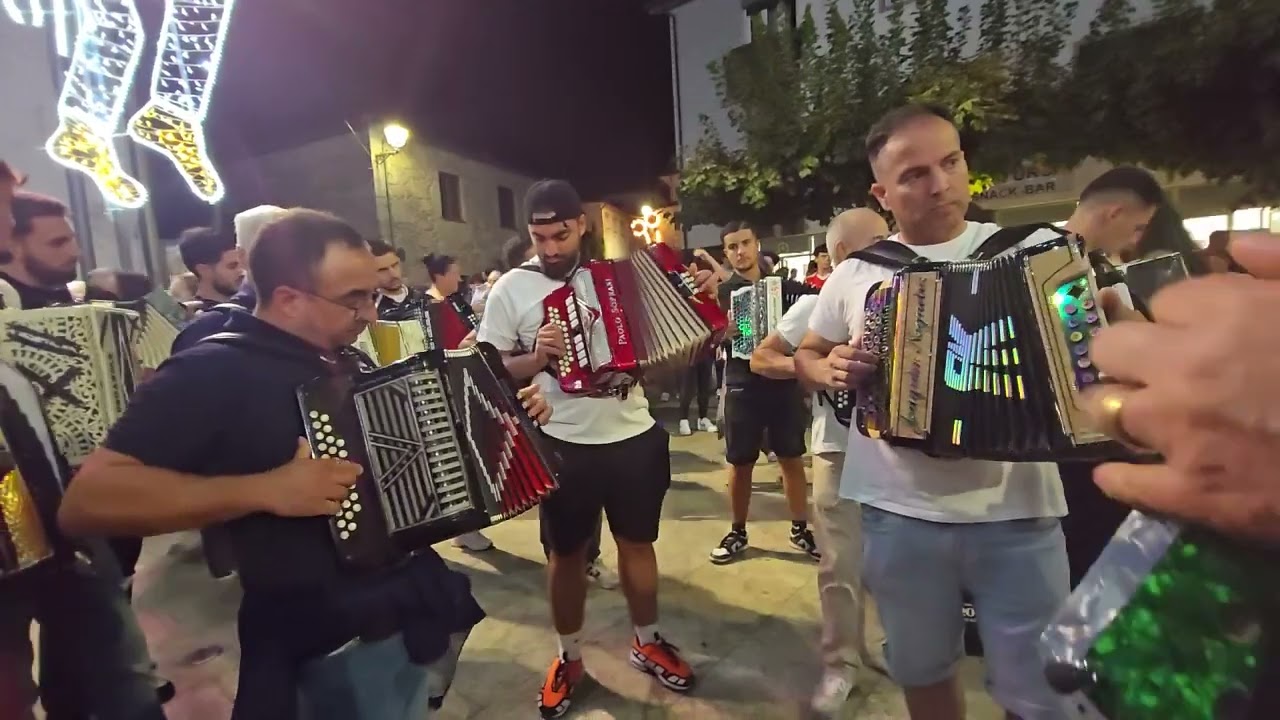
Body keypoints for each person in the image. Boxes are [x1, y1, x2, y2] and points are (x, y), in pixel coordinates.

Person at [59, 209, 552, 718]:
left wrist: (505, 422)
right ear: (289, 299)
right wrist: (265, 490)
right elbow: (88, 501)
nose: (370, 314)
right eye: (353, 299)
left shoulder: (342, 356)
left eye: (372, 295)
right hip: (318, 639)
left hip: (395, 613)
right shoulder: (210, 369)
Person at [794, 104, 1071, 720]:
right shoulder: (859, 273)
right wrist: (826, 368)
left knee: (1041, 692)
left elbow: (1091, 347)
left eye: (950, 162)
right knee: (922, 672)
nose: (940, 184)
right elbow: (806, 356)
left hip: (1020, 512)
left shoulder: (1038, 251)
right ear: (883, 193)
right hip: (900, 517)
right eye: (915, 173)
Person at [478, 180, 713, 718]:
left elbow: (673, 354)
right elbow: (489, 368)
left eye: (560, 234)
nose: (552, 248)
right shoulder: (512, 289)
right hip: (562, 441)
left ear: (582, 224)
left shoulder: (622, 277)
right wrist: (535, 358)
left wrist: (699, 307)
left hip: (634, 434)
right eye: (540, 237)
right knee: (566, 555)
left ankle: (647, 639)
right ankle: (568, 656)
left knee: (638, 545)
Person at [0, 189, 169, 720]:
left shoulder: (79, 305)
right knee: (113, 658)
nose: (72, 248)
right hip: (29, 511)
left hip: (76, 498)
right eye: (56, 240)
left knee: (79, 645)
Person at [751, 208, 888, 715]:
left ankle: (886, 644)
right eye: (878, 242)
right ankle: (840, 664)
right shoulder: (816, 302)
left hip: (899, 453)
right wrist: (814, 367)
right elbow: (761, 358)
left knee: (896, 562)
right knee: (840, 565)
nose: (892, 246)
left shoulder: (911, 295)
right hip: (837, 447)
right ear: (844, 256)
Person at [710, 221, 818, 565]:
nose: (740, 251)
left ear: (757, 244)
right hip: (742, 381)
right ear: (725, 253)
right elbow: (706, 338)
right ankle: (737, 530)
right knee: (740, 461)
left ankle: (801, 527)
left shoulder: (787, 287)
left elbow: (816, 309)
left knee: (791, 456)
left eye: (745, 243)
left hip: (783, 380)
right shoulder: (722, 292)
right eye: (732, 246)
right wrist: (720, 334)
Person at [1061, 166, 1165, 260]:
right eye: (1137, 228)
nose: (1135, 241)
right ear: (1115, 214)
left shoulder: (1081, 264)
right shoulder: (1055, 264)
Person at [178, 226, 245, 311]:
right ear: (203, 270)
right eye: (232, 266)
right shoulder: (198, 319)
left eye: (242, 264)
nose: (242, 272)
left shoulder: (249, 306)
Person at [367, 239, 418, 313]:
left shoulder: (425, 299)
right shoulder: (370, 311)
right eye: (383, 270)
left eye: (394, 265)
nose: (393, 274)